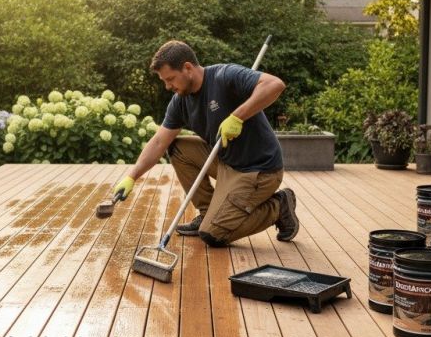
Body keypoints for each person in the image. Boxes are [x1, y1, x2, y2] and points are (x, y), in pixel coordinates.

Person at [112, 40, 299, 247]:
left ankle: (279, 206)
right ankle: (207, 211)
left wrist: (237, 117)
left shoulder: (225, 75)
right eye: (165, 81)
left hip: (258, 170)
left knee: (213, 235)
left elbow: (275, 84)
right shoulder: (180, 101)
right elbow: (158, 142)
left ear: (187, 68)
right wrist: (131, 177)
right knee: (177, 147)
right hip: (226, 161)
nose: (168, 86)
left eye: (171, 79)